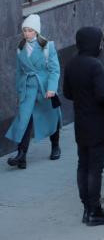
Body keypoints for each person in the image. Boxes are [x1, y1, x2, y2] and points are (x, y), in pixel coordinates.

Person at [63, 26, 104, 226]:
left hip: (81, 121)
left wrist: (82, 98)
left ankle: (87, 207)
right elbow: (103, 95)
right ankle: (95, 210)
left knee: (82, 165)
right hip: (97, 122)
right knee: (95, 168)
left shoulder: (72, 64)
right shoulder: (95, 65)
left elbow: (67, 93)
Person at [5, 14, 62, 170]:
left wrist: (52, 88)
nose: (27, 33)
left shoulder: (47, 46)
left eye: (30, 30)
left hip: (44, 88)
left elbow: (54, 70)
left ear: (36, 31)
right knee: (24, 120)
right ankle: (21, 155)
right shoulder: (20, 48)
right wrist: (19, 90)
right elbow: (18, 72)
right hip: (28, 89)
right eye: (25, 30)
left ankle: (55, 146)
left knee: (51, 117)